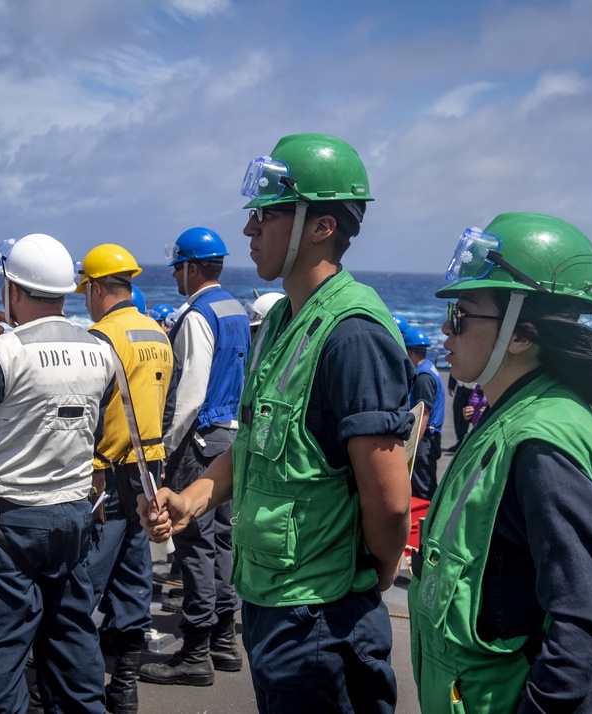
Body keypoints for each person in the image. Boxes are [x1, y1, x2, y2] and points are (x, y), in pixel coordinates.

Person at [140, 133, 414, 713]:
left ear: (322, 227)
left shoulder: (353, 333)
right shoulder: (286, 322)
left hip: (323, 617)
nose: (249, 230)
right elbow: (258, 449)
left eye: (266, 214)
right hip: (270, 606)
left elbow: (389, 501)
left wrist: (376, 574)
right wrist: (191, 499)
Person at [409, 213, 592, 713]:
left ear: (521, 334)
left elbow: (588, 626)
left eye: (461, 316)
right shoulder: (516, 414)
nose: (444, 332)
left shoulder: (540, 442)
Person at [0, 233, 115, 713]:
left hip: (7, 526)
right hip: (73, 520)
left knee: (0, 663)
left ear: (13, 291)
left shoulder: (3, 353)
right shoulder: (100, 351)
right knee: (73, 651)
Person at [140, 227, 250, 687]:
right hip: (229, 437)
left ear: (190, 267)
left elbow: (189, 393)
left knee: (195, 547)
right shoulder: (236, 309)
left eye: (177, 266)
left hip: (199, 440)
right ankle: (225, 642)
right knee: (221, 542)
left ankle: (196, 652)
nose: (174, 275)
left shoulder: (197, 315)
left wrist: (164, 448)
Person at [77, 243, 173, 713]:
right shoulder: (157, 332)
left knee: (85, 586)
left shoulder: (100, 337)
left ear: (96, 289)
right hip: (147, 477)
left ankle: (80, 691)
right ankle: (125, 690)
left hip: (104, 479)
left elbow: (87, 417)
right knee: (134, 582)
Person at [403, 328, 445, 500]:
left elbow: (423, 414)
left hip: (425, 437)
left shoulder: (423, 377)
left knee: (423, 488)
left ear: (409, 351)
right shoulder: (430, 368)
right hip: (430, 436)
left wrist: (412, 447)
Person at [446, 375, 474, 452]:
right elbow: (455, 364)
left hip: (475, 388)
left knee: (476, 416)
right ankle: (460, 440)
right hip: (461, 386)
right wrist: (451, 384)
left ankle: (475, 442)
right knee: (458, 413)